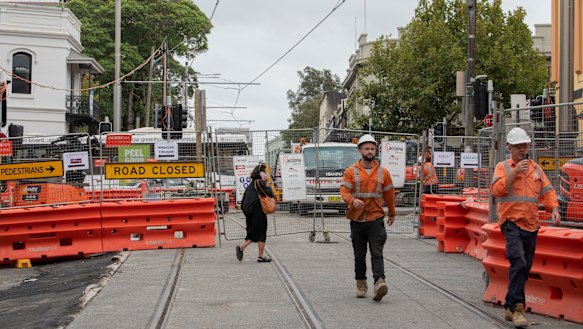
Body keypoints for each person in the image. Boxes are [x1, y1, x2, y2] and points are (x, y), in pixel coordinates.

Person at [491, 127, 560, 328]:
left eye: (524, 145)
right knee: (518, 261)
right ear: (509, 148)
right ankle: (518, 308)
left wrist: (553, 208)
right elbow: (496, 190)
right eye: (518, 146)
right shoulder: (503, 167)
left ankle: (509, 305)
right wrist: (514, 173)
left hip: (531, 224)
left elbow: (548, 192)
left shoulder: (536, 169)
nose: (522, 149)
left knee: (524, 266)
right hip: (511, 222)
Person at [340, 134, 396, 302]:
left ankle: (379, 282)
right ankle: (361, 283)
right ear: (360, 151)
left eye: (372, 148)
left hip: (376, 219)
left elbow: (389, 195)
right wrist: (351, 200)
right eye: (367, 148)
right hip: (357, 220)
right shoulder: (351, 171)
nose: (370, 151)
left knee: (376, 252)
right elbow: (344, 191)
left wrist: (392, 213)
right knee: (359, 255)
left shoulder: (383, 172)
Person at [236, 164, 274, 263]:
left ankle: (242, 248)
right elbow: (270, 193)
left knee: (252, 232)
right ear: (261, 173)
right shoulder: (260, 182)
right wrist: (266, 182)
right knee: (261, 232)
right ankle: (259, 256)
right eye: (265, 172)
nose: (266, 174)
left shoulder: (252, 183)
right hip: (258, 211)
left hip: (249, 211)